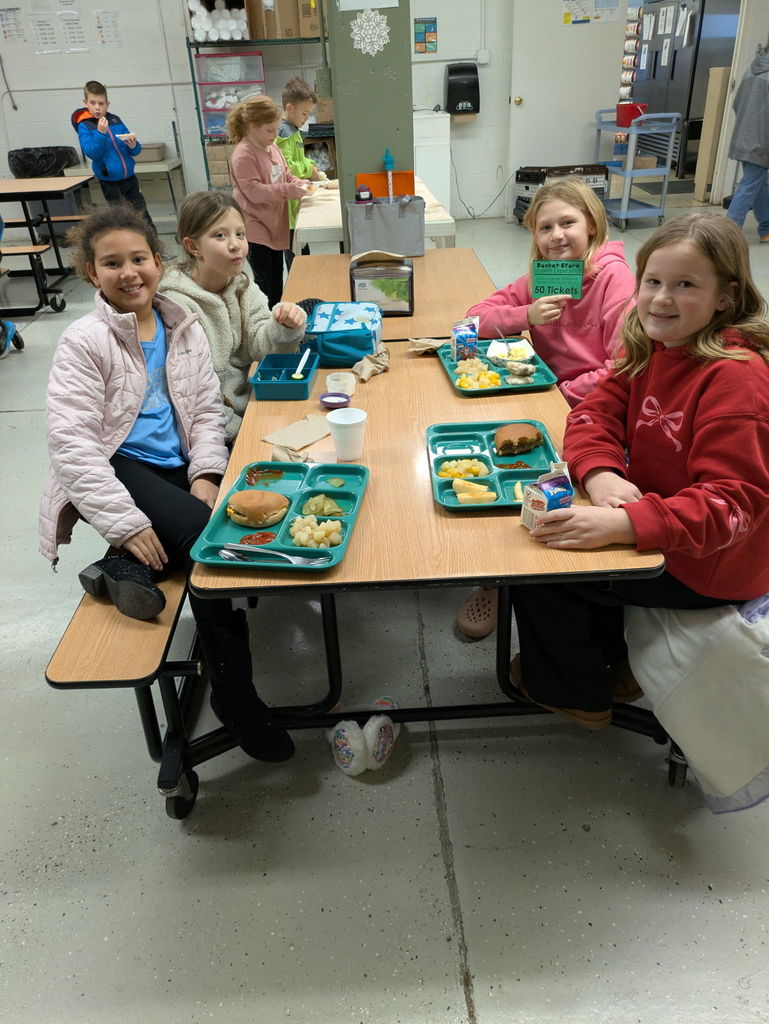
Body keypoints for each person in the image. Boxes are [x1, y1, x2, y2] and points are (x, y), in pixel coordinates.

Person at [38, 203, 294, 763]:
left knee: (233, 506)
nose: (128, 273)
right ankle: (235, 695)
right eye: (112, 263)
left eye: (138, 259)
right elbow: (73, 446)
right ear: (91, 273)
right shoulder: (84, 341)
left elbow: (205, 410)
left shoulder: (180, 323)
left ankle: (121, 569)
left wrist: (205, 472)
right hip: (120, 464)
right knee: (211, 543)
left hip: (178, 461)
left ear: (158, 261)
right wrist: (127, 523)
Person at [508, 212, 769, 730]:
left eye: (685, 285)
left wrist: (624, 525)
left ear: (726, 296)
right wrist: (601, 472)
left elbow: (731, 506)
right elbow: (591, 414)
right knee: (572, 537)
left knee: (540, 572)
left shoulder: (736, 380)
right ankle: (616, 663)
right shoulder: (653, 348)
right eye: (653, 282)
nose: (661, 299)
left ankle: (575, 694)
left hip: (711, 563)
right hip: (666, 521)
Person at [456, 176, 636, 640]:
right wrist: (525, 316)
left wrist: (561, 393)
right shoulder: (547, 275)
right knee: (492, 458)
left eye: (568, 223)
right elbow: (474, 317)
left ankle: (514, 578)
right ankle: (496, 569)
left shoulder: (615, 279)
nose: (557, 236)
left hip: (592, 409)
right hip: (544, 397)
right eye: (544, 227)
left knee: (543, 484)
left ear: (592, 226)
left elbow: (622, 368)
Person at [161, 190, 307, 443]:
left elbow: (261, 348)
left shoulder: (241, 286)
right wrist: (245, 432)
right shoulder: (177, 305)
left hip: (246, 405)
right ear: (193, 246)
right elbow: (194, 395)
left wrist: (283, 327)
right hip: (214, 428)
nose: (235, 244)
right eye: (220, 235)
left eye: (240, 234)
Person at [227, 95, 308, 308]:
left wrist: (298, 182)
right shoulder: (244, 155)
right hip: (256, 228)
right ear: (253, 126)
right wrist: (289, 190)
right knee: (266, 283)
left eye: (275, 129)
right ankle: (266, 324)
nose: (274, 135)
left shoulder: (271, 147)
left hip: (274, 222)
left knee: (277, 275)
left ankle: (277, 315)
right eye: (269, 130)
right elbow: (254, 192)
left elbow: (285, 173)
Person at [71, 80, 154, 228]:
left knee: (142, 215)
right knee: (123, 219)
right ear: (85, 103)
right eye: (93, 102)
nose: (97, 107)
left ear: (107, 104)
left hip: (130, 179)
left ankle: (153, 248)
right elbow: (92, 153)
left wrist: (134, 146)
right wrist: (100, 133)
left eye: (101, 103)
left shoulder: (115, 120)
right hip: (110, 183)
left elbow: (134, 150)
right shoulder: (85, 126)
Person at [275, 76, 327, 272]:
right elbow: (286, 165)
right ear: (289, 108)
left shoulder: (293, 130)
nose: (306, 118)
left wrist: (312, 166)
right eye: (304, 113)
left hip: (296, 203)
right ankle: (298, 291)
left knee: (303, 251)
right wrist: (308, 171)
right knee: (296, 257)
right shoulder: (283, 132)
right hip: (286, 210)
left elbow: (300, 158)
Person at [725, 47, 769, 243]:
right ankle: (728, 235)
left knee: (758, 181)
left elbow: (737, 103)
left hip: (744, 135)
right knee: (751, 183)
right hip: (761, 138)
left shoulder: (752, 69)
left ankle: (766, 227)